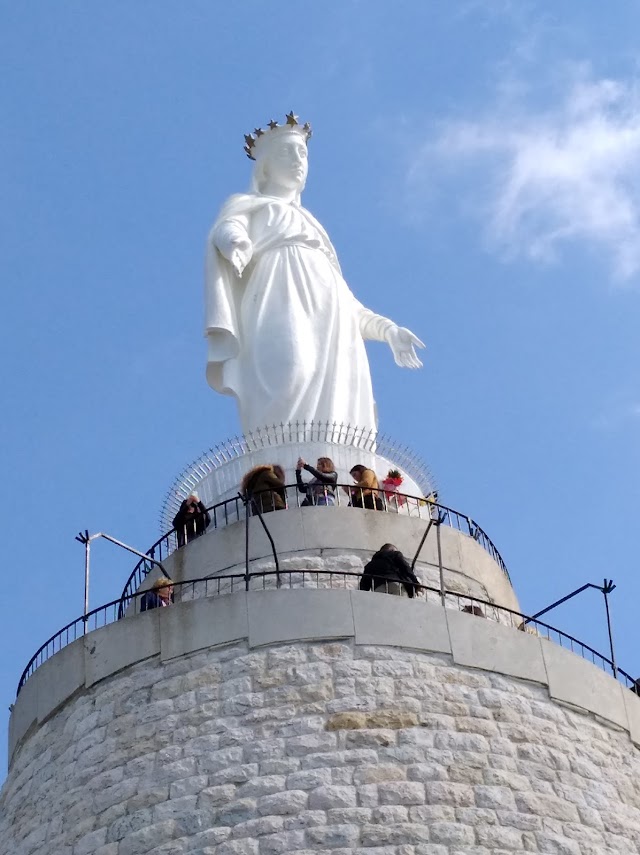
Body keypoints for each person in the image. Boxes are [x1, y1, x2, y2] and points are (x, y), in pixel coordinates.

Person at [204, 112, 424, 436]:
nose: (297, 160)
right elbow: (228, 227)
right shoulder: (250, 206)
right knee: (291, 371)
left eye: (302, 153)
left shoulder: (315, 229)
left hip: (330, 309)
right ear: (264, 166)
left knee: (343, 387)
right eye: (286, 152)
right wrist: (234, 242)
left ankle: (340, 468)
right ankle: (279, 470)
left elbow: (349, 304)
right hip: (277, 292)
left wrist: (388, 330)